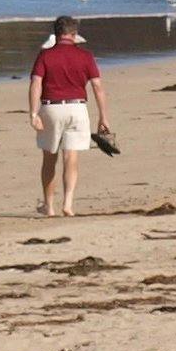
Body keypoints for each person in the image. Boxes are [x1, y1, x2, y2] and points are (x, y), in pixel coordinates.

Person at [25, 15, 110, 217]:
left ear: (56, 34)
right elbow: (97, 87)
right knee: (71, 157)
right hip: (77, 108)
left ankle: (49, 205)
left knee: (49, 157)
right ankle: (68, 203)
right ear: (74, 34)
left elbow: (36, 83)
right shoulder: (86, 56)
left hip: (51, 108)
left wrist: (33, 112)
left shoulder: (45, 55)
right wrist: (103, 117)